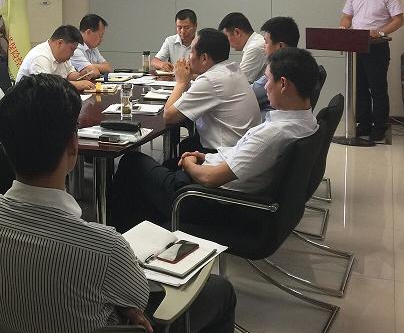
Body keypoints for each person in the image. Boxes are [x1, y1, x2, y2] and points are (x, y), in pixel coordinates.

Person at [0, 74, 236, 333]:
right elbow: (140, 298)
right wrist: (124, 302)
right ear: (73, 145)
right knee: (220, 292)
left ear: (5, 145)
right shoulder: (105, 246)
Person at [109, 47, 319, 233]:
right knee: (165, 166)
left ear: (283, 84)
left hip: (213, 202)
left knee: (132, 163)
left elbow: (211, 179)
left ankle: (118, 241)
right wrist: (205, 157)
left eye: (268, 80)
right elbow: (240, 155)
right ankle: (146, 230)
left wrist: (190, 164)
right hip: (230, 188)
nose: (264, 87)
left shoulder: (273, 134)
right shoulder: (308, 122)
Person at [164, 28, 260, 154]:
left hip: (223, 154)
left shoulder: (210, 80)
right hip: (243, 147)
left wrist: (181, 82)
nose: (188, 57)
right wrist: (187, 78)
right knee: (187, 144)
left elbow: (169, 116)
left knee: (173, 157)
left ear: (204, 58)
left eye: (191, 52)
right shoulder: (231, 68)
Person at [339, 0, 404, 142]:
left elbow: (399, 20)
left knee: (377, 88)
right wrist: (343, 29)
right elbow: (347, 17)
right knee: (359, 88)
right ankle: (364, 124)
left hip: (377, 46)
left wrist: (381, 32)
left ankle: (380, 126)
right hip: (356, 46)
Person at [15, 25, 95, 92]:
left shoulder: (62, 57)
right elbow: (46, 86)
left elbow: (69, 74)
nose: (72, 54)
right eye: (72, 49)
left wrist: (81, 75)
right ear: (60, 43)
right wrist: (75, 85)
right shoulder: (40, 56)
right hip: (29, 102)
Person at [252, 16, 301, 114]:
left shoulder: (278, 70)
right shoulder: (299, 63)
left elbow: (249, 93)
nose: (263, 46)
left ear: (280, 46)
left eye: (266, 42)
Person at [218, 12, 267, 83]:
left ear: (237, 32)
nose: (227, 43)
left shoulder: (255, 47)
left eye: (226, 37)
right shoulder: (255, 42)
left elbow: (239, 82)